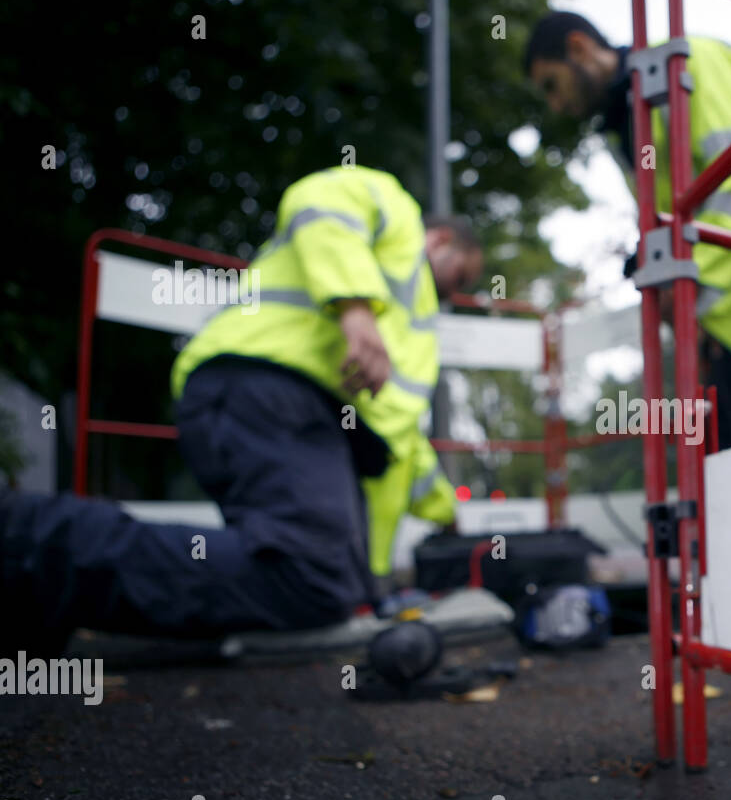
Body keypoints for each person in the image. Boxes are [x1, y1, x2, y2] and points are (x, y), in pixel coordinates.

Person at [0, 165, 481, 658]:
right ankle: (23, 542)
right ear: (439, 239)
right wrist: (354, 306)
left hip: (293, 411)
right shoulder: (394, 209)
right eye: (461, 273)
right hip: (262, 384)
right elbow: (319, 199)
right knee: (311, 576)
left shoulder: (414, 317)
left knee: (313, 582)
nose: (457, 291)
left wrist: (446, 514)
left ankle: (34, 574)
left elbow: (402, 444)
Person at [524, 11, 731, 448]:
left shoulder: (690, 63)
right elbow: (675, 219)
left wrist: (690, 287)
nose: (555, 104)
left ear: (579, 48)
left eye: (552, 84)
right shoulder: (627, 125)